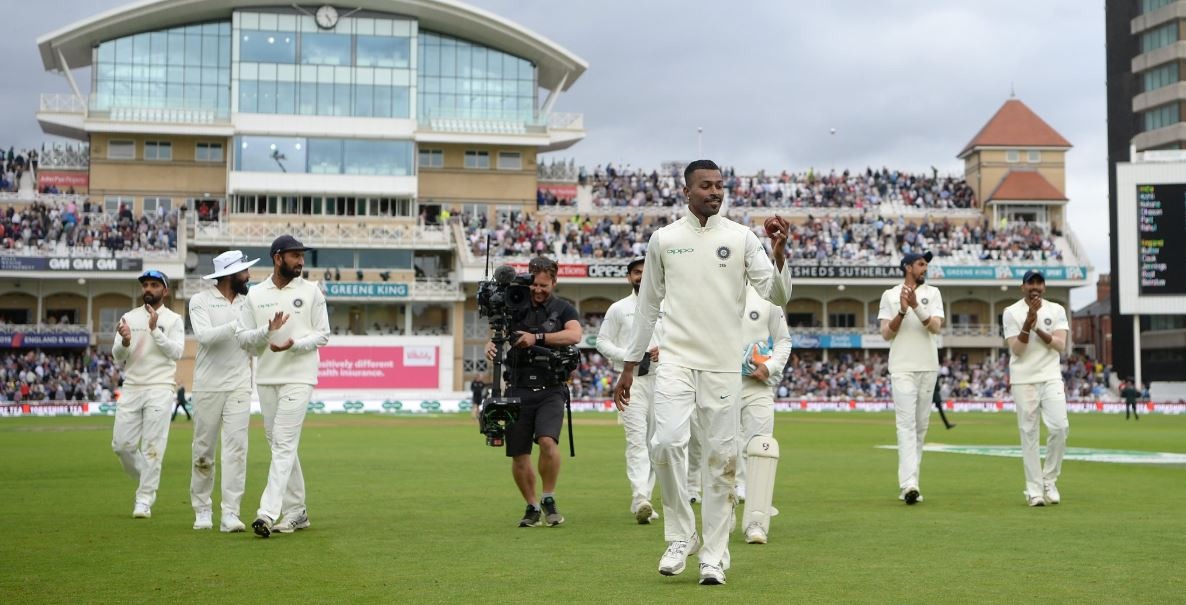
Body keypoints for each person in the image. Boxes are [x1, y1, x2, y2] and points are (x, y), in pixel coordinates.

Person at [613, 160, 792, 586]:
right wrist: (628, 366)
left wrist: (780, 253)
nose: (715, 192)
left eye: (719, 186)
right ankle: (680, 535)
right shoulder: (665, 239)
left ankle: (713, 556)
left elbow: (777, 295)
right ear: (687, 190)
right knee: (665, 442)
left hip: (723, 365)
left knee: (721, 461)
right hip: (674, 360)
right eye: (706, 186)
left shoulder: (741, 236)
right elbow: (647, 308)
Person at [237, 235, 330, 537]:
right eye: (294, 256)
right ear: (277, 258)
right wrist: (267, 331)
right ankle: (298, 511)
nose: (300, 261)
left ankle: (266, 512)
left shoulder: (311, 291)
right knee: (280, 446)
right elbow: (244, 340)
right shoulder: (255, 295)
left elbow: (323, 335)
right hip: (266, 377)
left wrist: (295, 345)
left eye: (302, 255)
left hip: (300, 375)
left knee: (284, 443)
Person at [485, 256, 583, 528]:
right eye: (534, 284)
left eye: (543, 285)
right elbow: (496, 333)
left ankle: (548, 497)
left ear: (554, 282)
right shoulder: (514, 303)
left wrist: (536, 338)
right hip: (517, 386)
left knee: (548, 441)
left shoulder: (564, 309)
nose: (538, 290)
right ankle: (531, 506)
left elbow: (575, 336)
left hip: (551, 388)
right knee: (518, 453)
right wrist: (489, 346)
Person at [188, 250, 259, 532]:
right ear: (230, 274)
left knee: (236, 451)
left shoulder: (248, 302)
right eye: (244, 271)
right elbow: (205, 338)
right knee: (203, 451)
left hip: (240, 385)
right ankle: (202, 509)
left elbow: (252, 343)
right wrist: (238, 324)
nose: (248, 276)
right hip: (208, 386)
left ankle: (230, 513)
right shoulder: (200, 300)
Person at [111, 269, 185, 519]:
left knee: (153, 447)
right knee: (122, 446)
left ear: (165, 290)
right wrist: (125, 341)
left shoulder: (174, 320)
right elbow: (117, 356)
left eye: (154, 285)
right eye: (145, 285)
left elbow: (176, 352)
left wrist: (155, 331)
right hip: (132, 387)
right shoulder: (129, 317)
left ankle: (144, 499)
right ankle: (148, 476)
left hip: (160, 388)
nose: (148, 289)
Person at [597, 256, 662, 524]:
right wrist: (631, 355)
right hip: (631, 381)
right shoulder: (618, 309)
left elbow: (681, 340)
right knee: (636, 441)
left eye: (646, 272)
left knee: (658, 443)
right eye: (637, 272)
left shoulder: (667, 307)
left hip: (662, 380)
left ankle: (643, 498)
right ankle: (640, 498)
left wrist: (665, 351)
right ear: (629, 277)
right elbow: (601, 341)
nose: (641, 276)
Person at [877, 251, 944, 505]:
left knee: (920, 427)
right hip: (902, 366)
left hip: (928, 366)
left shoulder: (933, 293)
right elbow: (886, 333)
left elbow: (936, 327)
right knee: (905, 425)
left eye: (926, 264)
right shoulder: (890, 295)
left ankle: (912, 481)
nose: (925, 267)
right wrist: (902, 312)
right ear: (907, 267)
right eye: (920, 264)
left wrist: (916, 305)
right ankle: (909, 484)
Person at [1002, 270, 1069, 507]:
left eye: (1039, 283)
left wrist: (1037, 326)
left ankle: (1049, 479)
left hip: (1050, 377)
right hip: (1023, 379)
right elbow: (1017, 351)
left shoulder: (1056, 310)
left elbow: (1060, 345)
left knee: (1060, 427)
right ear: (1023, 287)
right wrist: (1026, 325)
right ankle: (1034, 490)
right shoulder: (1011, 312)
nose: (1035, 287)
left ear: (1045, 287)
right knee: (1029, 434)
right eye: (1031, 283)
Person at [735, 284, 791, 544]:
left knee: (761, 448)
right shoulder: (710, 286)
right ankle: (724, 517)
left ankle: (756, 523)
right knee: (721, 449)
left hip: (758, 385)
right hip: (718, 383)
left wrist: (770, 366)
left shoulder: (767, 296)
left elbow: (783, 340)